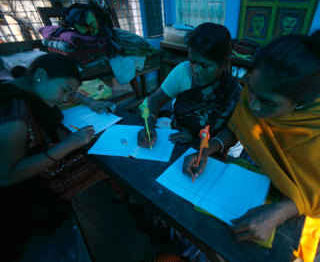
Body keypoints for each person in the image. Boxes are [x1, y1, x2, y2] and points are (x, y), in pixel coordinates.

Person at [182, 28, 320, 261]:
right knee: (212, 227)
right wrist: (208, 150)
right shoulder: (258, 90)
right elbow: (237, 128)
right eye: (250, 91)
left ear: (300, 102)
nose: (253, 105)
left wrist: (279, 211)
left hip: (299, 198)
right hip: (253, 170)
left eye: (267, 103)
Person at [0, 53, 119, 259]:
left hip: (44, 157)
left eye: (70, 92)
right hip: (37, 185)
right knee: (109, 157)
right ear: (40, 75)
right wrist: (68, 145)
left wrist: (89, 101)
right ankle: (122, 193)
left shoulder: (24, 85)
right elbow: (6, 177)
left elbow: (71, 94)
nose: (66, 98)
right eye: (65, 90)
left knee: (104, 149)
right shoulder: (15, 116)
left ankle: (119, 190)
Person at [137, 22, 241, 148]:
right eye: (192, 61)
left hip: (211, 150)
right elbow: (155, 100)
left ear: (224, 64)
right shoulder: (183, 71)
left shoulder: (233, 91)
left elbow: (232, 131)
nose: (195, 71)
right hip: (176, 137)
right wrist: (149, 126)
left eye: (204, 66)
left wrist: (197, 141)